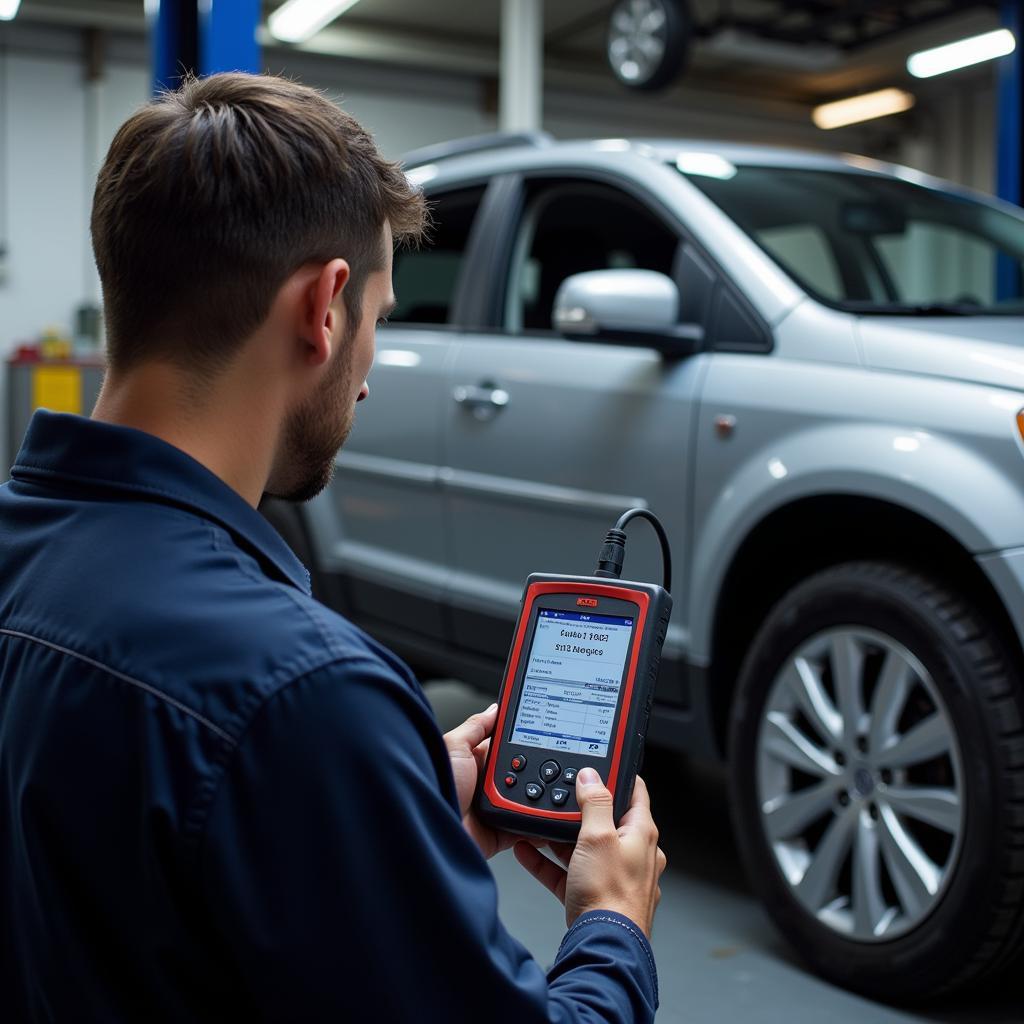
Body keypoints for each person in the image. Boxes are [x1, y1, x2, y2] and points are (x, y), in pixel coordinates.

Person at [0, 72, 666, 1022]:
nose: (364, 381)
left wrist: (383, 812)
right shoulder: (305, 694)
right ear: (325, 306)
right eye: (381, 322)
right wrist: (613, 926)